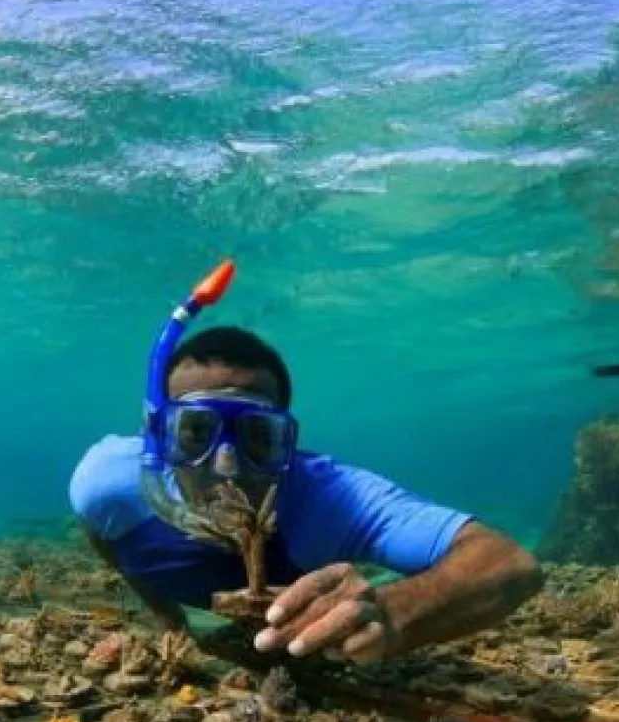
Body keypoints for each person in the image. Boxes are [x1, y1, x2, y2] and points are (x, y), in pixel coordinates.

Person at [69, 272, 543, 664]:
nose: (227, 465)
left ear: (288, 442)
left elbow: (511, 565)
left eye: (258, 436)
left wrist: (397, 613)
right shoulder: (106, 483)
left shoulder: (333, 498)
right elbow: (101, 530)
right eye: (196, 433)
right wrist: (167, 618)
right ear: (157, 438)